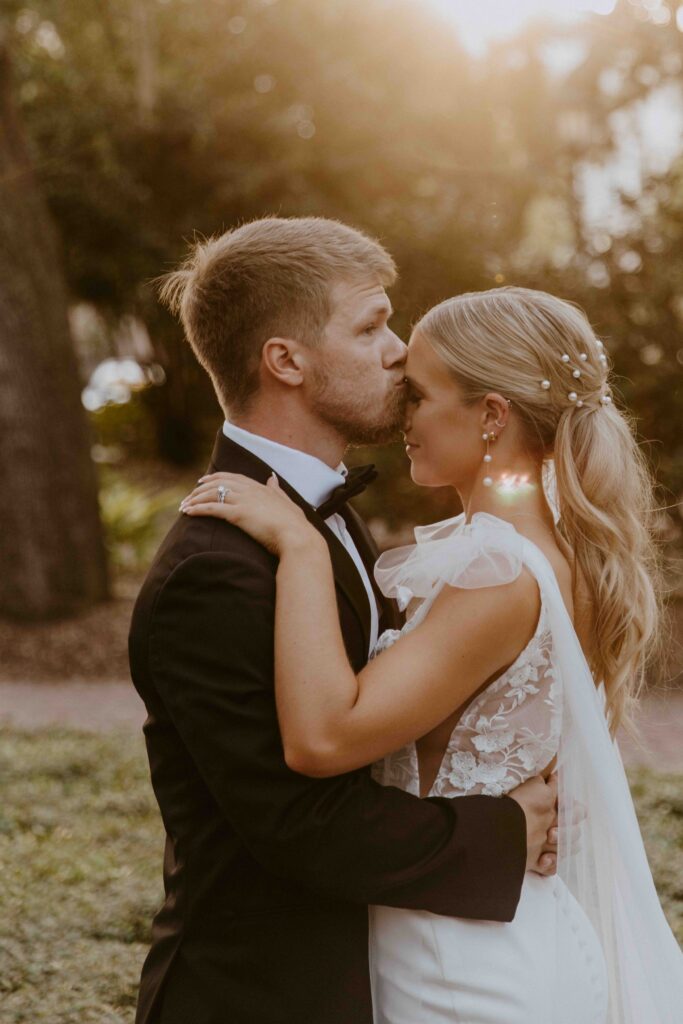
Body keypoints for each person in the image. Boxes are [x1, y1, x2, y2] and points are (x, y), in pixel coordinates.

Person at [183, 284, 683, 1023]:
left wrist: (298, 545)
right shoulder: (551, 550)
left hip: (462, 964)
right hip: (503, 921)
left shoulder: (496, 570)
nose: (398, 413)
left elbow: (325, 738)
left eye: (417, 395)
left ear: (489, 415)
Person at [129, 219, 558, 1024]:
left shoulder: (317, 517)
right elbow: (294, 824)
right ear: (285, 361)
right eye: (370, 327)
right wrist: (501, 830)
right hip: (256, 996)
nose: (399, 350)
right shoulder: (213, 572)